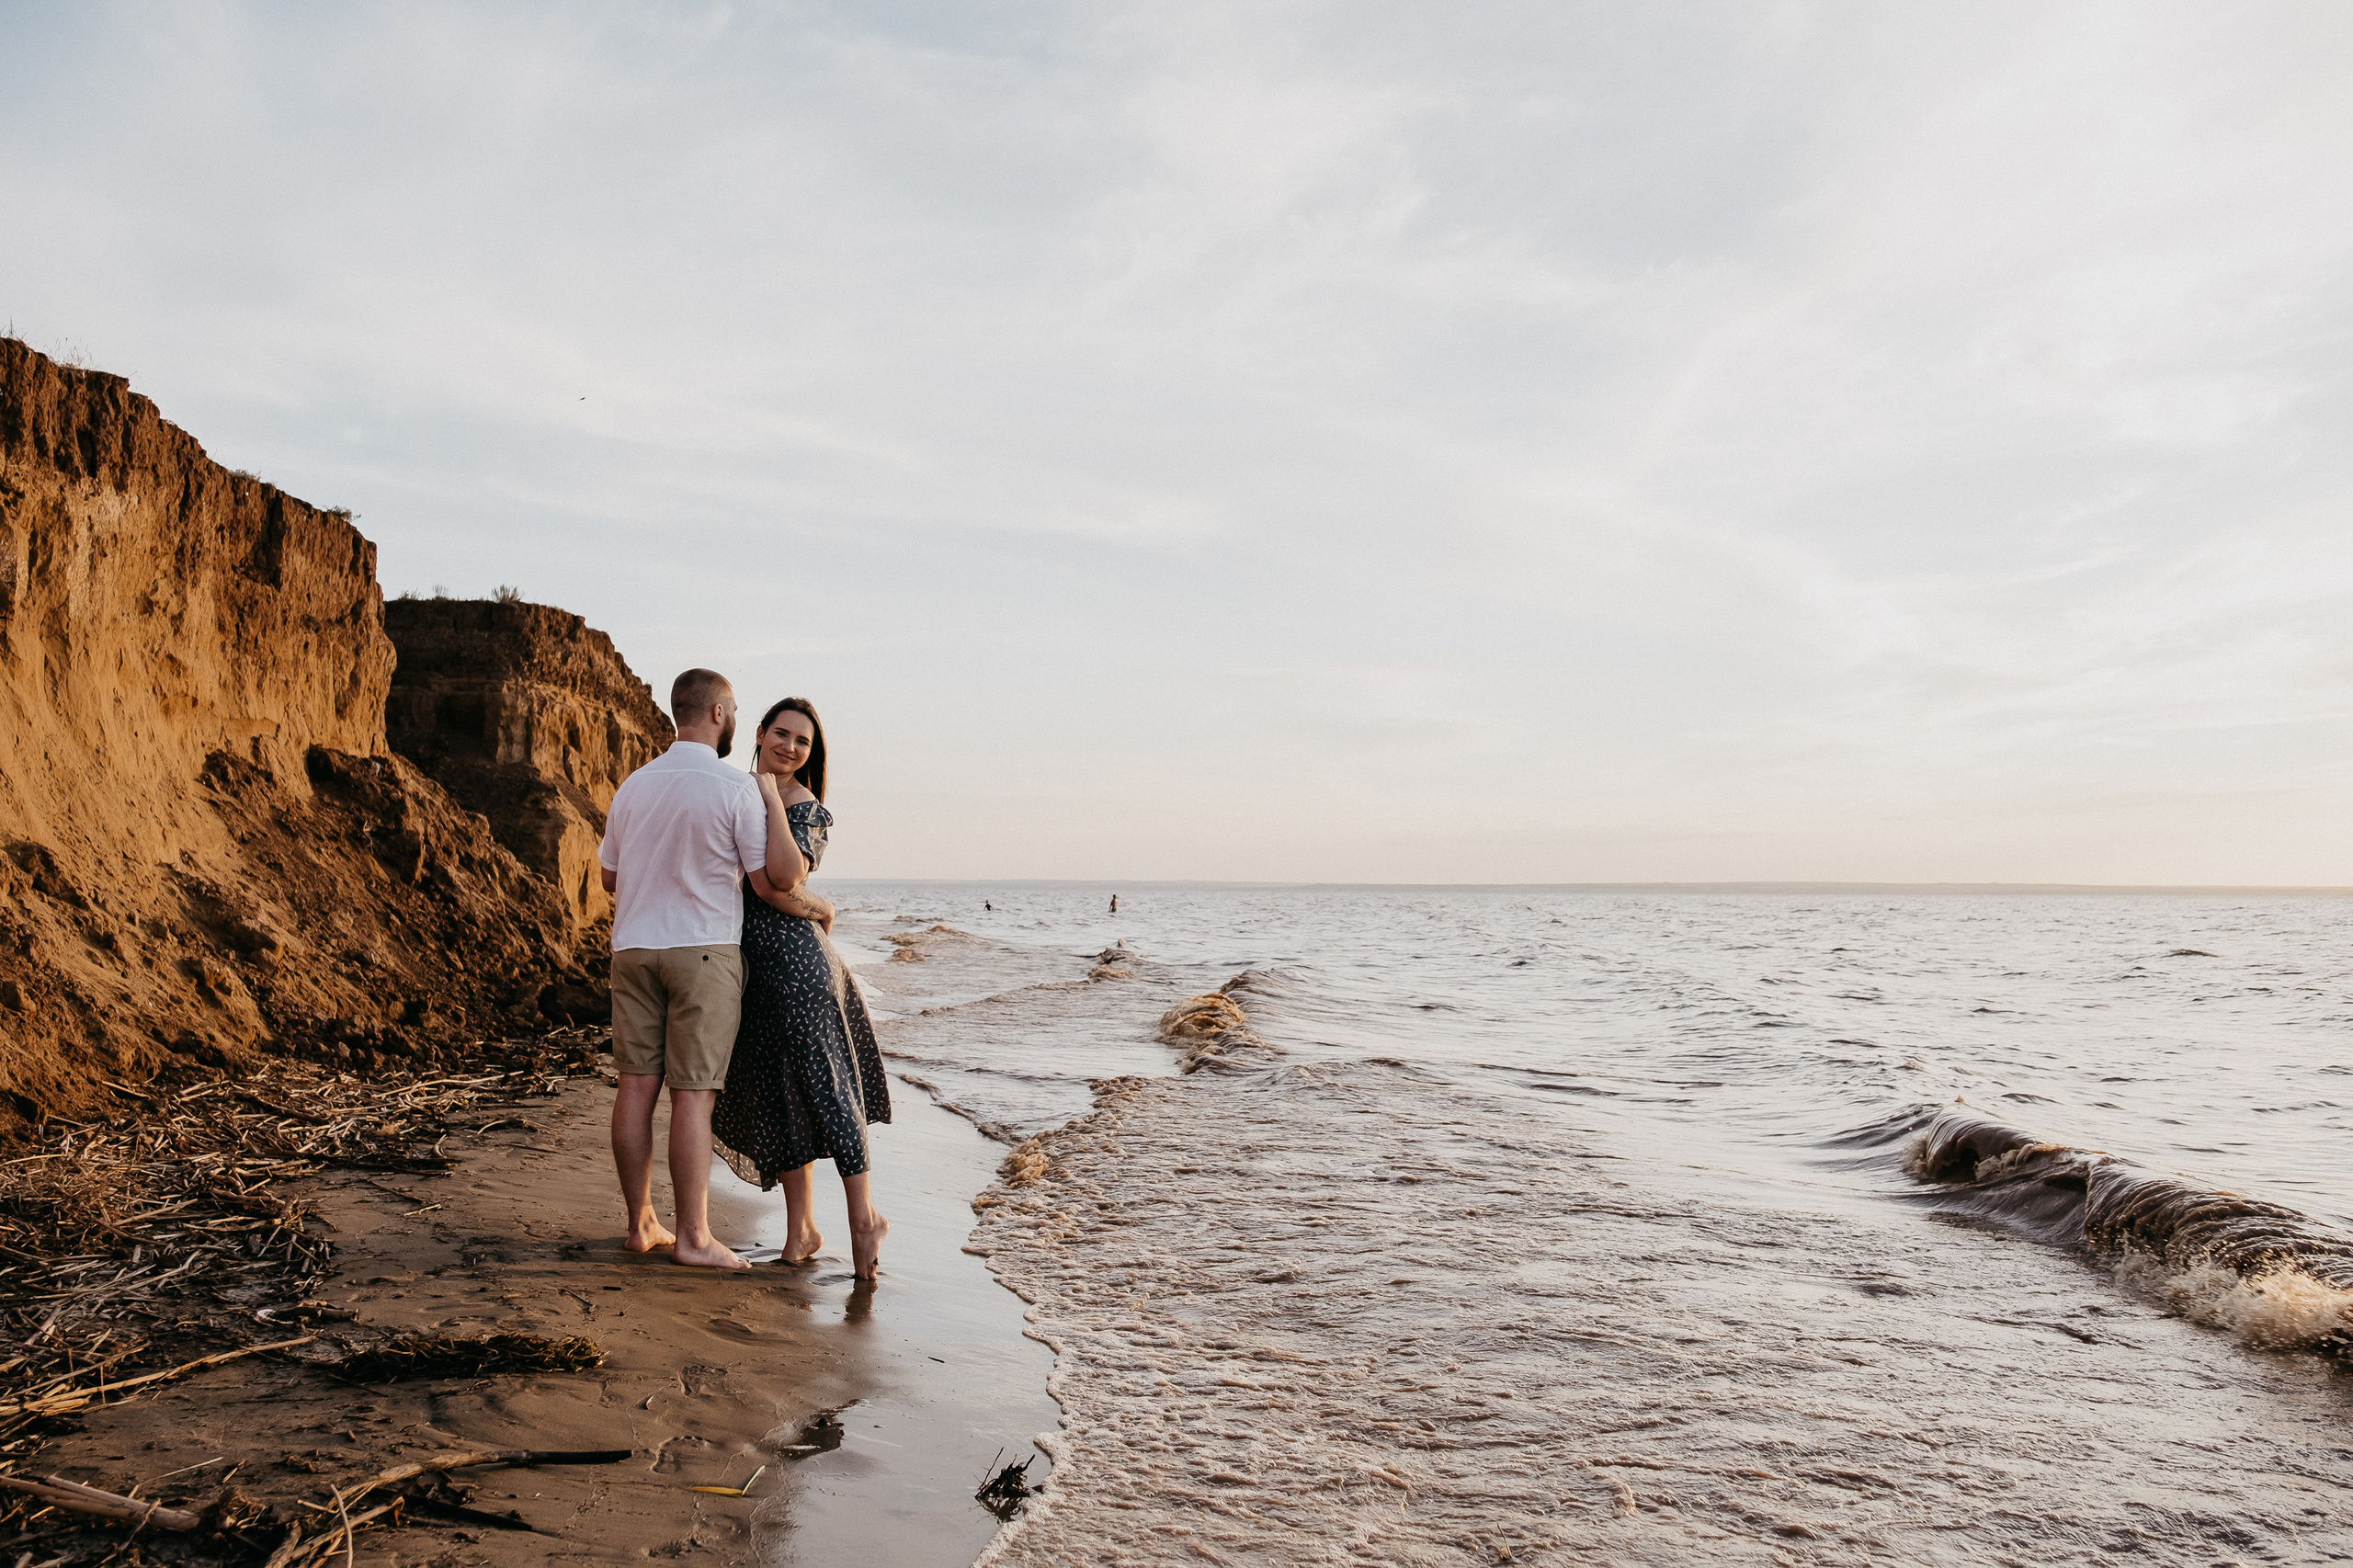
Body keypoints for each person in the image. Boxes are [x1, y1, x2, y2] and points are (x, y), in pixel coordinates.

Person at [598, 668, 807, 1269]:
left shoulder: (633, 786)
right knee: (693, 1095)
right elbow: (768, 879)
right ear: (718, 713)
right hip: (705, 951)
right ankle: (693, 1237)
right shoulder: (733, 787)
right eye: (735, 710)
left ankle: (641, 1224)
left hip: (633, 948)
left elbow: (611, 876)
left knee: (636, 1086)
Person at [711, 698, 892, 1280]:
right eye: (781, 734)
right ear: (759, 733)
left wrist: (771, 797)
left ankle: (864, 1219)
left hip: (799, 967)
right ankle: (802, 1231)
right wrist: (823, 907)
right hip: (752, 970)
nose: (790, 747)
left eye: (803, 742)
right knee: (781, 1095)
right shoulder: (732, 790)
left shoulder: (804, 807)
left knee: (827, 1088)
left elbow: (784, 881)